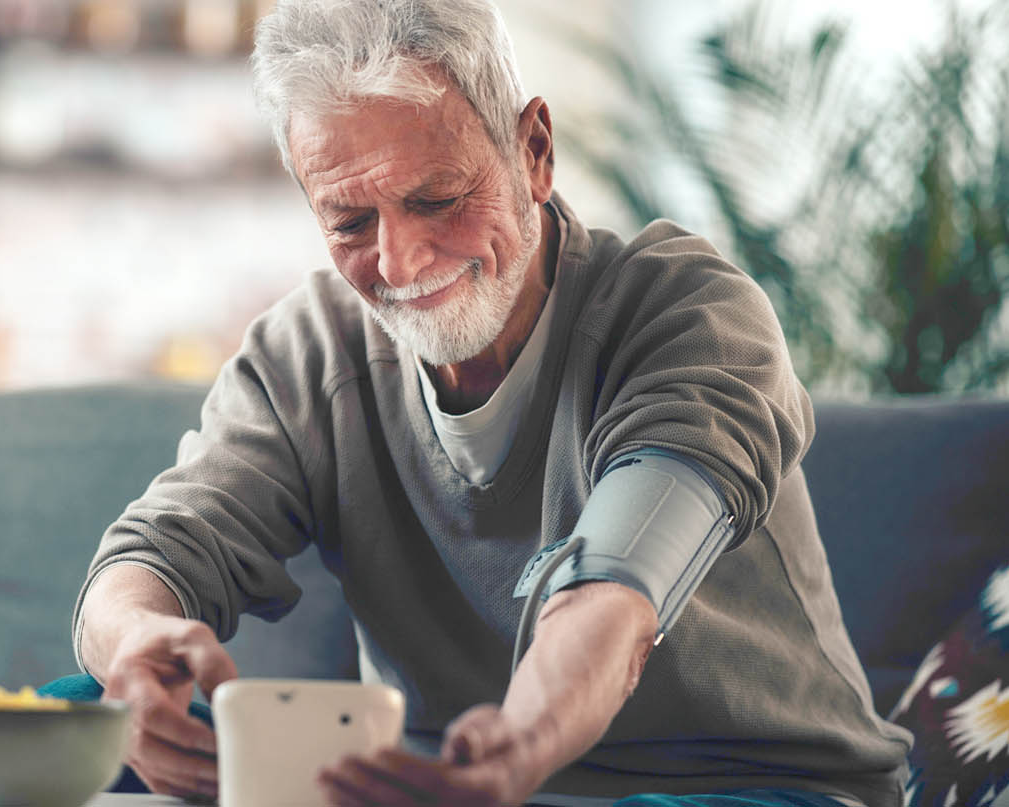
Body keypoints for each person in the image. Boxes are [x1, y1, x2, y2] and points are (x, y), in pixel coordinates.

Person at [68, 0, 910, 804]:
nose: (399, 262)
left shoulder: (685, 313)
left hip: (746, 785)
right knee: (75, 709)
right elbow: (152, 554)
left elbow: (612, 593)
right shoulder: (307, 352)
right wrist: (136, 647)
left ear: (533, 151)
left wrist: (523, 746)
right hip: (448, 788)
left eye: (437, 198)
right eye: (350, 221)